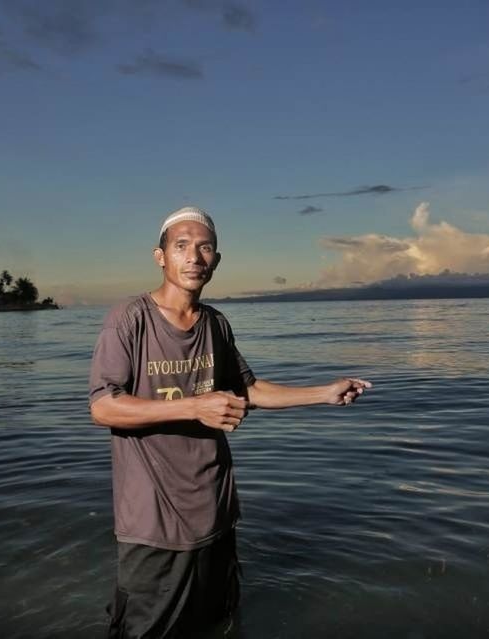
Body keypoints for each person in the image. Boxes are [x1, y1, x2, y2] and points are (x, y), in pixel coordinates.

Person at [88, 206, 371, 638]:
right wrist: (193, 406)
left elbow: (248, 390)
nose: (194, 257)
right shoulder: (130, 318)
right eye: (181, 246)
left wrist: (322, 393)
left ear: (216, 261)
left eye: (205, 248)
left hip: (216, 513)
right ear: (160, 256)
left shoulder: (216, 324)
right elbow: (103, 406)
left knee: (216, 626)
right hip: (154, 525)